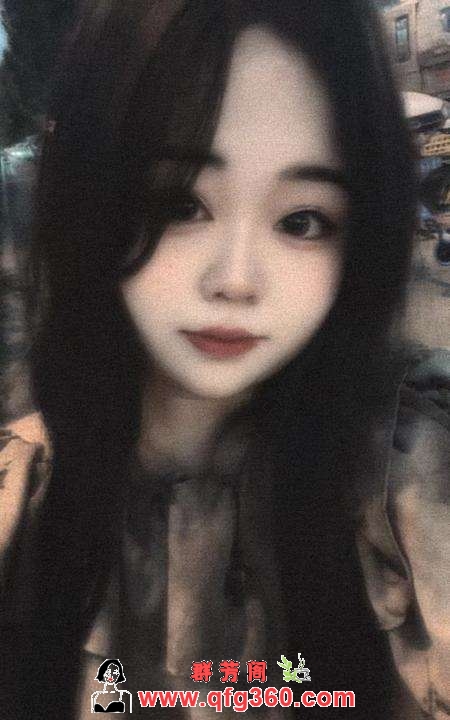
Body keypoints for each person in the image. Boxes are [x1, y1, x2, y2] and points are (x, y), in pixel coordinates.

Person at [0, 2, 448, 719]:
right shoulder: (22, 495)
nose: (236, 280)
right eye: (180, 204)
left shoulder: (407, 486)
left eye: (302, 220)